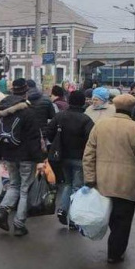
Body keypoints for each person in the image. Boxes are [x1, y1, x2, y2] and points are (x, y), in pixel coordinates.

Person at [83, 94, 135, 264]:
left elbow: (88, 155)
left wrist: (90, 178)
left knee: (109, 216)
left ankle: (114, 246)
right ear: (133, 110)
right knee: (123, 220)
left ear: (114, 106)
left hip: (103, 181)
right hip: (126, 183)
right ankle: (115, 253)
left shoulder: (100, 126)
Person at [0, 79, 42, 237]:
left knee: (14, 185)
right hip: (26, 156)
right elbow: (34, 138)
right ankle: (19, 224)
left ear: (12, 91)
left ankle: (2, 210)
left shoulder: (0, 111)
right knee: (24, 189)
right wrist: (40, 159)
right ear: (26, 92)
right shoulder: (28, 111)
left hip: (8, 154)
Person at [45, 90, 94, 227]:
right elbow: (91, 139)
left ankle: (62, 209)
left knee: (67, 183)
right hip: (79, 157)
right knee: (77, 187)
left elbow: (49, 132)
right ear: (83, 102)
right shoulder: (86, 119)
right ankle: (73, 218)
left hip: (62, 156)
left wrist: (57, 143)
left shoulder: (60, 116)